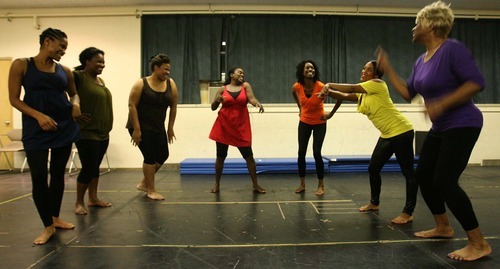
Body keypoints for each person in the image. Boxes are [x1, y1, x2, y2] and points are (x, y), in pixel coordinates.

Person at [377, 0, 491, 261]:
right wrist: (388, 70)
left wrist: (442, 103)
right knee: (424, 177)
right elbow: (408, 93)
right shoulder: (421, 60)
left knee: (445, 181)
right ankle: (443, 227)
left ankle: (479, 243)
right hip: (441, 127)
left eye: (417, 23)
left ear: (429, 24)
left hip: (464, 123)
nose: (413, 28)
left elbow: (477, 82)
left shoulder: (452, 50)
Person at [320, 60, 417, 224]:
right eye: (363, 68)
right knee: (373, 168)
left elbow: (350, 87)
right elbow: (344, 95)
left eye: (368, 69)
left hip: (401, 132)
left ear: (376, 74)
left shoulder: (378, 84)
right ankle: (374, 203)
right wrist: (327, 92)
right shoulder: (364, 92)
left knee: (408, 172)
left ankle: (408, 212)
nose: (364, 71)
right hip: (387, 134)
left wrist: (328, 84)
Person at [8, 28, 81, 245]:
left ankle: (55, 218)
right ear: (47, 41)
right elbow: (14, 99)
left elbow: (74, 93)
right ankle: (47, 225)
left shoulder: (64, 70)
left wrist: (76, 105)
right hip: (36, 128)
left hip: (63, 127)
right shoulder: (22, 65)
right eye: (61, 46)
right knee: (39, 176)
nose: (63, 51)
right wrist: (38, 116)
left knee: (58, 174)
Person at [127, 54, 178, 201]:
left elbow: (173, 107)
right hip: (140, 125)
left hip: (158, 125)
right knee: (149, 156)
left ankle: (144, 183)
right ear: (156, 68)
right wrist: (136, 129)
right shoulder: (141, 83)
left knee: (163, 154)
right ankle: (151, 190)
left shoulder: (170, 84)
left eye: (169, 70)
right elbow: (132, 106)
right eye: (165, 69)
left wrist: (170, 128)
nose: (168, 72)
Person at [209, 67, 266, 194]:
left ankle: (255, 185)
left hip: (241, 126)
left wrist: (257, 103)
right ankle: (217, 184)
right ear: (231, 75)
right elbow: (213, 107)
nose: (242, 74)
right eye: (239, 72)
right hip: (224, 126)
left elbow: (251, 99)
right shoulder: (222, 89)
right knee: (220, 157)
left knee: (249, 157)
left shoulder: (245, 86)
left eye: (243, 73)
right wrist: (217, 100)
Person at [291, 60, 341, 196]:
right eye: (307, 68)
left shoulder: (321, 86)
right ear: (302, 71)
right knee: (301, 153)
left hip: (320, 122)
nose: (310, 70)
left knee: (316, 153)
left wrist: (330, 115)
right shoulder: (297, 86)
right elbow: (293, 93)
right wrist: (300, 108)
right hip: (304, 122)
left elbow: (340, 98)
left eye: (312, 68)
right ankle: (302, 184)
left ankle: (320, 185)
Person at [73, 47, 113, 215]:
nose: (102, 65)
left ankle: (93, 198)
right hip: (86, 132)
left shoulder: (100, 81)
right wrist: (74, 110)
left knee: (95, 167)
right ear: (86, 61)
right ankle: (79, 202)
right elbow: (66, 95)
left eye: (103, 62)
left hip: (103, 132)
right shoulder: (78, 77)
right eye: (98, 61)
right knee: (88, 167)